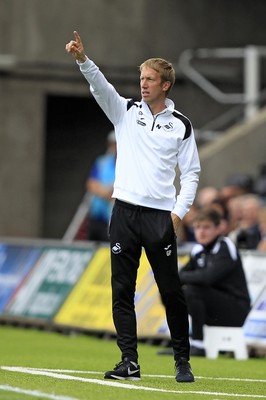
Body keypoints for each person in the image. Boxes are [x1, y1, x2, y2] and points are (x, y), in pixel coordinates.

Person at [66, 31, 201, 383]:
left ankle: (182, 361)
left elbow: (192, 174)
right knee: (121, 290)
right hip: (123, 213)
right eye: (141, 78)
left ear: (166, 85)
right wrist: (83, 60)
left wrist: (178, 213)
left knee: (171, 291)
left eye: (150, 79)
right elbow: (101, 87)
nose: (143, 84)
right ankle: (130, 361)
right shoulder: (124, 111)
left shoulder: (181, 126)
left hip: (160, 218)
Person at [179, 208, 250, 357]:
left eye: (206, 227)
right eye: (197, 227)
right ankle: (181, 343)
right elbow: (180, 275)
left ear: (219, 228)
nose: (201, 232)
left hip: (235, 309)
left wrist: (187, 277)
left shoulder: (225, 246)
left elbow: (208, 277)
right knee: (173, 291)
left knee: (192, 290)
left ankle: (198, 344)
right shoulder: (198, 250)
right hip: (212, 306)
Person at [86, 130, 116, 242]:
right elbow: (91, 184)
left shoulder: (126, 163)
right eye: (112, 143)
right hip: (96, 215)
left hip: (112, 217)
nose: (114, 147)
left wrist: (106, 191)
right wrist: (106, 193)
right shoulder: (102, 161)